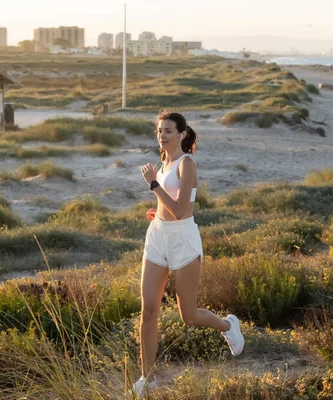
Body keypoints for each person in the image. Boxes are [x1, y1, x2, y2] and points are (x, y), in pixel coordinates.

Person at [132, 111, 245, 397]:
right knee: (149, 309)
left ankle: (228, 325)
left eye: (168, 131)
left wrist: (153, 184)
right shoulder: (164, 162)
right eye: (159, 131)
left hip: (183, 240)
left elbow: (182, 211)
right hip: (158, 236)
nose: (162, 136)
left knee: (189, 315)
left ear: (182, 134)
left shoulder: (187, 164)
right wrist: (156, 212)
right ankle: (148, 379)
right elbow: (168, 207)